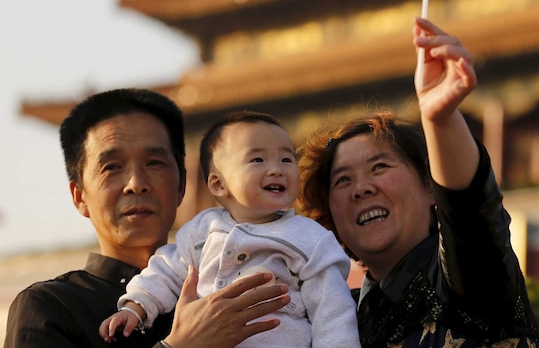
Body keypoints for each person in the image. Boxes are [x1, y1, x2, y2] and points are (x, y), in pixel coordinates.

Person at [299, 18, 539, 347]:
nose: (361, 188)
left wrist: (440, 119)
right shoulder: (329, 322)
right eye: (342, 180)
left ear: (430, 188)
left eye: (379, 166)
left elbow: (469, 211)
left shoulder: (466, 285)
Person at [5, 88, 290, 348]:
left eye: (154, 163)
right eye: (112, 167)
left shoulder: (244, 289)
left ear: (181, 187)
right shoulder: (51, 307)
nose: (136, 183)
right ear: (80, 196)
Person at [99, 110, 360, 347]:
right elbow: (166, 271)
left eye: (286, 159)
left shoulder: (310, 239)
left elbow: (333, 313)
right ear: (218, 184)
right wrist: (136, 306)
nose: (276, 170)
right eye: (258, 159)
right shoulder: (202, 231)